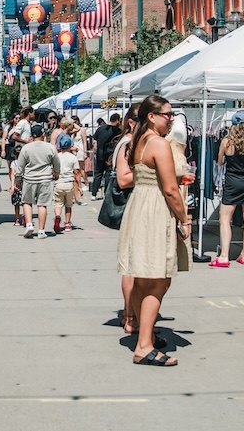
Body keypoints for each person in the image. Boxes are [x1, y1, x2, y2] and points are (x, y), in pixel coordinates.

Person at [117, 97, 188, 366]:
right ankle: (144, 345)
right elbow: (170, 189)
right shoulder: (158, 143)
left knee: (143, 275)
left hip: (140, 207)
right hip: (155, 208)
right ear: (151, 116)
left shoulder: (138, 141)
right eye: (167, 114)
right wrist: (185, 219)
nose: (171, 118)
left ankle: (142, 336)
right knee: (158, 279)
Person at [212, 110, 244, 267]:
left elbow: (220, 162)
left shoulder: (226, 142)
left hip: (233, 182)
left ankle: (224, 256)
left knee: (225, 219)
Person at [112, 107, 139, 334]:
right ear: (131, 122)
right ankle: (130, 316)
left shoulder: (132, 142)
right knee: (132, 264)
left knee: (138, 264)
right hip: (133, 206)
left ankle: (134, 315)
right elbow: (123, 179)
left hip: (139, 206)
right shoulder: (127, 144)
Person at [14, 124, 60, 239]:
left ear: (31, 136)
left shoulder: (26, 148)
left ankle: (29, 224)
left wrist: (17, 179)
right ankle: (41, 231)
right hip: (45, 179)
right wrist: (57, 173)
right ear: (43, 134)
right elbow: (56, 163)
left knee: (27, 202)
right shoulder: (50, 147)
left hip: (29, 179)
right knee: (42, 205)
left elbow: (20, 166)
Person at [91, 112, 123, 200]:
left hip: (100, 153)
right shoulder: (118, 131)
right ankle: (106, 193)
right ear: (117, 120)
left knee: (98, 174)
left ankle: (93, 194)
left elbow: (95, 140)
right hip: (110, 155)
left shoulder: (101, 129)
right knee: (108, 174)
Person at [53, 134, 79, 233]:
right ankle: (67, 224)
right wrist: (79, 186)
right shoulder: (73, 158)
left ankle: (57, 216)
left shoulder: (57, 157)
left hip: (59, 182)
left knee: (58, 203)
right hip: (69, 183)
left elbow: (53, 169)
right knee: (68, 205)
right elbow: (76, 172)